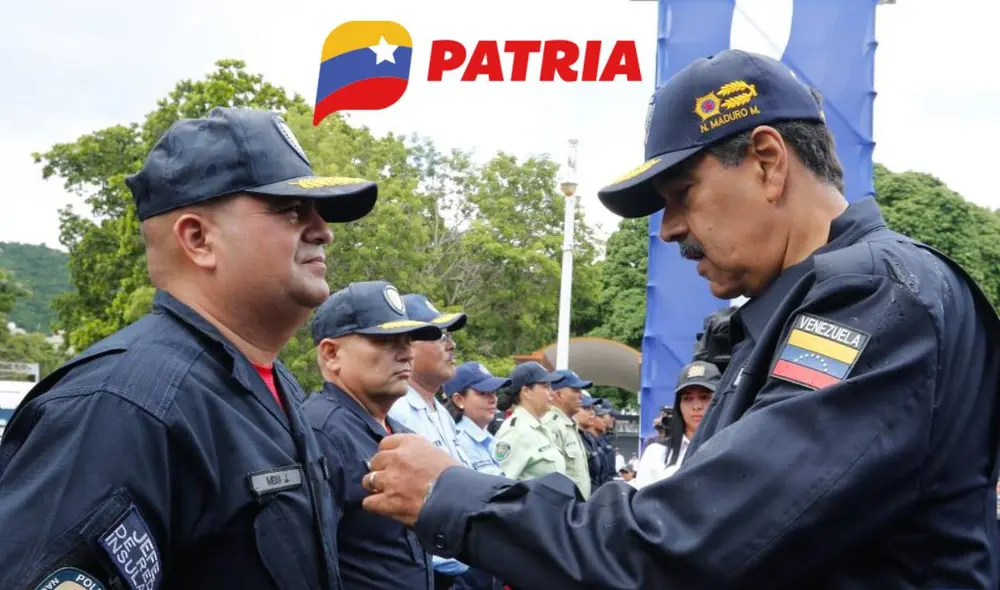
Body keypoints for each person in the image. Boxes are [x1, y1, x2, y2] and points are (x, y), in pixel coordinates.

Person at [357, 49, 1000, 589]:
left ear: (768, 163)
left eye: (681, 195)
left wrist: (455, 497)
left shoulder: (871, 298)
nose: (669, 231)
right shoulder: (812, 305)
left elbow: (685, 545)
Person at [0, 107, 379, 589]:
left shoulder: (269, 382)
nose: (323, 230)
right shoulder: (122, 406)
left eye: (319, 213)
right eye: (290, 210)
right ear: (198, 239)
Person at [302, 281, 442, 589]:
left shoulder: (399, 431)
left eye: (408, 341)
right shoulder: (318, 433)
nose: (407, 354)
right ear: (331, 354)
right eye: (387, 341)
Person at [386, 293, 473, 588]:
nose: (451, 345)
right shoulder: (396, 411)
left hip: (454, 565)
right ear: (406, 345)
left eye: (449, 335)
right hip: (425, 571)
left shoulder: (440, 413)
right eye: (438, 335)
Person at [634, 360, 719, 489]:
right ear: (678, 405)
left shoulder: (732, 449)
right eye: (688, 399)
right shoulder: (656, 453)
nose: (696, 406)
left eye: (705, 397)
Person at [492, 362, 565, 482]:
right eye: (546, 386)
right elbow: (500, 486)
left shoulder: (539, 427)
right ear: (526, 391)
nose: (552, 392)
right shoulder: (515, 432)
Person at [445, 361, 512, 477]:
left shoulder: (487, 438)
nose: (493, 399)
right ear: (459, 400)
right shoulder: (458, 442)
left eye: (493, 392)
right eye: (483, 393)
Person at [542, 369, 593, 498]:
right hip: (565, 508)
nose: (581, 395)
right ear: (559, 395)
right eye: (575, 390)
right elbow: (553, 476)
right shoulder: (552, 425)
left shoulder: (569, 424)